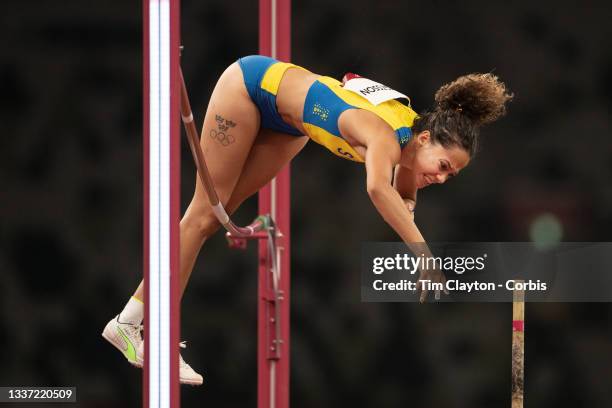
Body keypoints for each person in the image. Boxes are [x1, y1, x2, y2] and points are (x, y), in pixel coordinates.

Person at [102, 55, 513, 385]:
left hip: (291, 125)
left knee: (214, 218)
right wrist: (423, 255)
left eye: (449, 176)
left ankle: (135, 323)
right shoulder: (387, 138)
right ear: (425, 139)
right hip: (250, 87)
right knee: (203, 216)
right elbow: (377, 189)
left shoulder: (412, 143)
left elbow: (404, 193)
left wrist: (408, 210)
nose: (440, 178)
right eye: (442, 166)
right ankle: (133, 325)